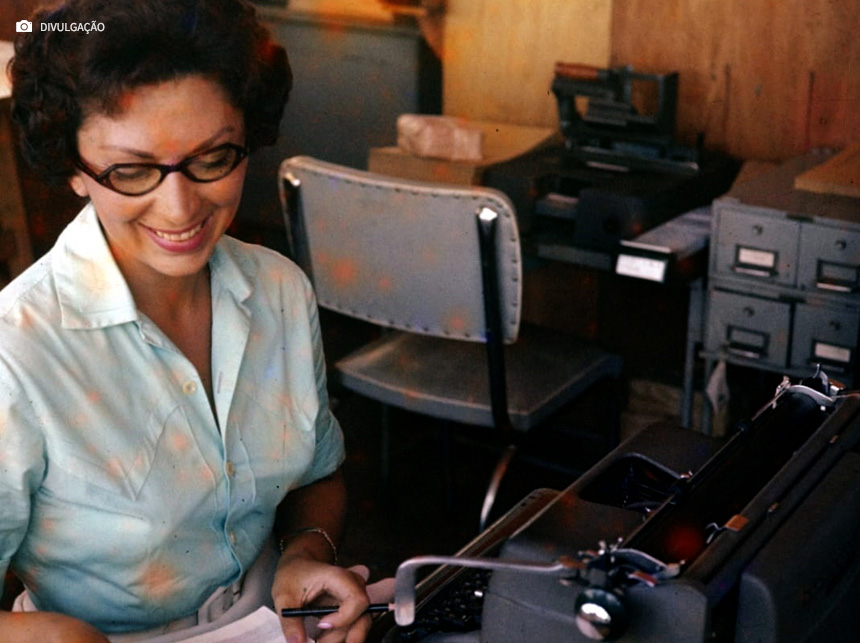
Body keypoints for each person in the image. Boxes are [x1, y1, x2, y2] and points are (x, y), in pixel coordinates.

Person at [1, 1, 374, 641]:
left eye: (214, 157)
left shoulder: (279, 290)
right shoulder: (18, 353)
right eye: (131, 170)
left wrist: (304, 556)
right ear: (73, 168)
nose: (180, 208)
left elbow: (317, 474)